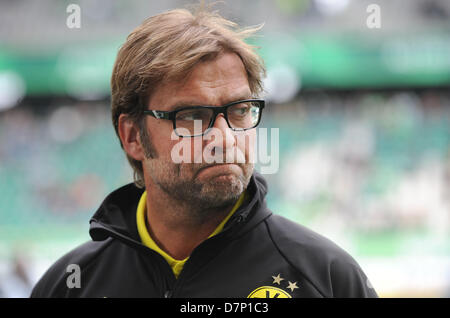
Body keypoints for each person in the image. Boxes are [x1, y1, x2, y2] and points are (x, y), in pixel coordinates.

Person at [31, 6, 377, 298]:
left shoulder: (327, 279)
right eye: (193, 116)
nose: (224, 138)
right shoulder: (68, 285)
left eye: (240, 110)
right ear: (133, 136)